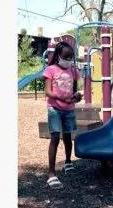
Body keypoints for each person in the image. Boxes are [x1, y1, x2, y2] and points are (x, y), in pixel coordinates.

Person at [42, 42, 82, 189]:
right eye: (66, 56)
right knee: (54, 137)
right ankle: (51, 173)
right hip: (54, 108)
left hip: (69, 108)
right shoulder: (50, 70)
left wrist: (76, 96)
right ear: (58, 55)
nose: (69, 59)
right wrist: (61, 98)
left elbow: (74, 90)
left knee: (67, 136)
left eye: (71, 56)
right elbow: (48, 91)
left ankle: (68, 161)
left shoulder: (73, 71)